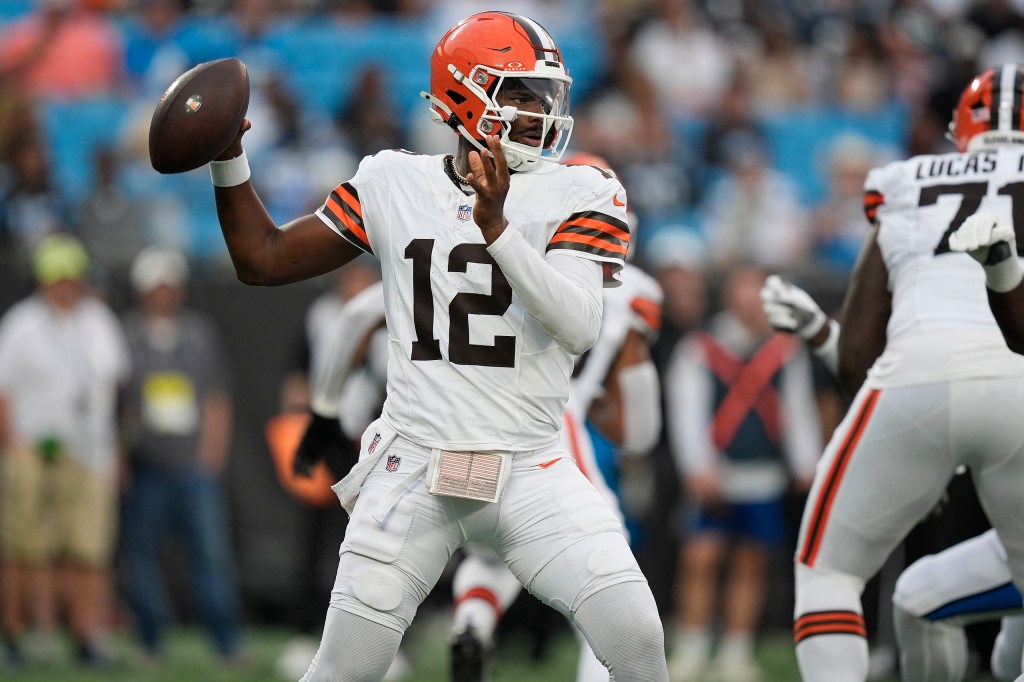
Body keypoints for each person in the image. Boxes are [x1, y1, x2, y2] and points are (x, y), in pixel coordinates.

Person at [205, 11, 668, 682]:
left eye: (542, 94)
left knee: (637, 639)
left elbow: (578, 322)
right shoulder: (395, 182)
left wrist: (498, 229)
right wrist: (228, 156)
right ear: (461, 97)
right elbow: (264, 258)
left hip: (533, 465)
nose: (536, 111)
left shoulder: (582, 191)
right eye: (515, 93)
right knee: (344, 669)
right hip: (416, 465)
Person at [782, 62, 1024, 682]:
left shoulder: (904, 180)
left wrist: (914, 450)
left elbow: (859, 351)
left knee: (828, 574)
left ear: (959, 130)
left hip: (913, 375)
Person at [447, 245, 664, 681]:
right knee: (606, 583)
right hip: (551, 430)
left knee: (487, 552)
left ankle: (473, 618)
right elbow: (639, 432)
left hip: (463, 425)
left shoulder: (482, 245)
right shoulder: (633, 290)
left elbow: (365, 314)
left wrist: (326, 410)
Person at [665, 264, 821, 682]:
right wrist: (698, 466)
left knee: (751, 562)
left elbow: (798, 408)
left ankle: (736, 652)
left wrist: (806, 462)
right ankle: (693, 647)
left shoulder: (784, 349)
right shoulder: (702, 346)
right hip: (717, 471)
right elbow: (687, 409)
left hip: (763, 472)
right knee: (702, 557)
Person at [0, 233, 130, 668]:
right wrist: (11, 448)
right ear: (43, 279)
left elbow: (112, 389)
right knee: (23, 547)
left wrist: (113, 451)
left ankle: (85, 637)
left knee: (87, 550)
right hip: (30, 447)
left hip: (89, 449)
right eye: (57, 276)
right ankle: (14, 636)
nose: (64, 284)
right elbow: (3, 394)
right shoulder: (21, 324)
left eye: (70, 276)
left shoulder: (98, 322)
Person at [118, 246, 244, 664]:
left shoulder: (198, 334)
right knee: (142, 558)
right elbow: (122, 402)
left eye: (168, 287)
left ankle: (225, 644)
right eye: (155, 287)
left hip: (193, 466)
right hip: (148, 465)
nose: (162, 295)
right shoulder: (127, 336)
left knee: (211, 558)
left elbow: (215, 398)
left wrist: (211, 457)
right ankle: (151, 641)